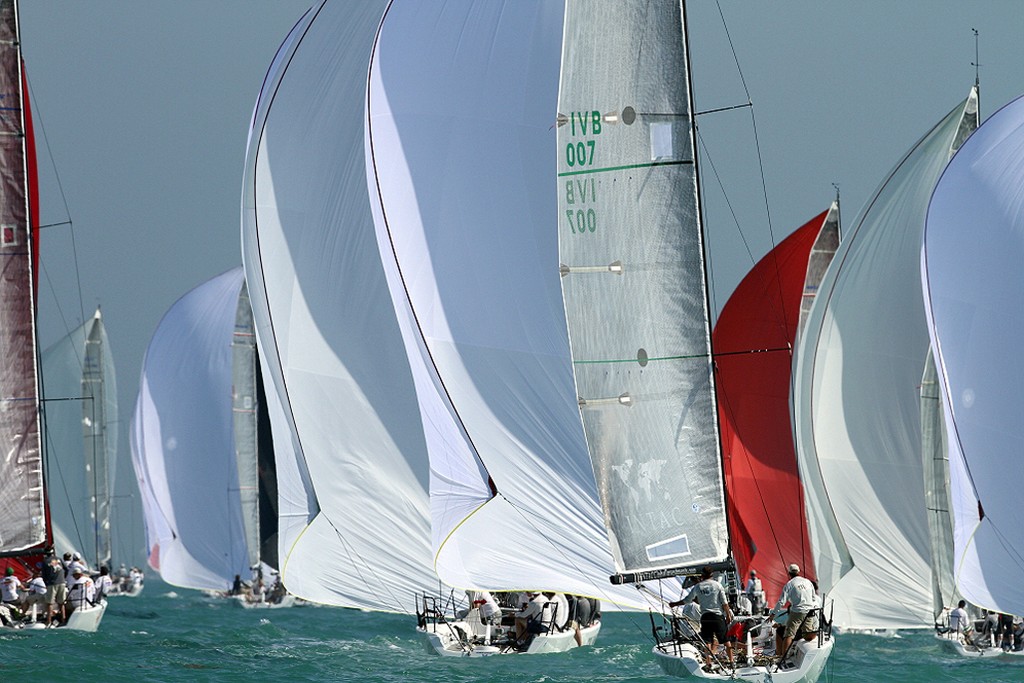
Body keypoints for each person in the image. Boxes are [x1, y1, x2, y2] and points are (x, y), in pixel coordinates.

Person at [670, 566, 733, 669]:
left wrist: (674, 604)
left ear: (702, 575)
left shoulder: (698, 587)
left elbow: (687, 600)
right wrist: (728, 615)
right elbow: (724, 603)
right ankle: (731, 662)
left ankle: (708, 663)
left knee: (707, 641)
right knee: (726, 640)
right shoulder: (718, 585)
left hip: (705, 617)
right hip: (717, 617)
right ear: (712, 575)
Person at [772, 564, 817, 662]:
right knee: (807, 635)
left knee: (789, 635)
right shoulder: (808, 582)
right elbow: (813, 598)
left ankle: (783, 658)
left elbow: (781, 602)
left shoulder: (789, 584)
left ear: (789, 573)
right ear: (798, 572)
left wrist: (773, 614)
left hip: (797, 612)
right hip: (809, 612)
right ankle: (815, 633)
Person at [42, 553, 67, 625]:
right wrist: (63, 579)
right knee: (61, 603)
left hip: (52, 584)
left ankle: (49, 621)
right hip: (62, 583)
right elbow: (66, 569)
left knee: (50, 603)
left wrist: (46, 584)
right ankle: (63, 620)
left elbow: (44, 575)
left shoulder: (45, 561)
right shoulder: (59, 559)